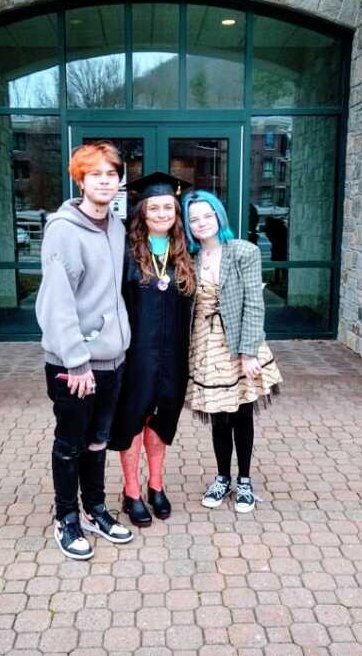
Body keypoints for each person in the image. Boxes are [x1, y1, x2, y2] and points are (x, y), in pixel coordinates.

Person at [35, 141, 134, 560]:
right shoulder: (63, 229)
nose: (105, 181)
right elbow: (57, 303)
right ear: (81, 178)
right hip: (76, 365)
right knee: (70, 442)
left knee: (98, 440)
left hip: (113, 359)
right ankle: (66, 518)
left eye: (111, 174)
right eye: (96, 174)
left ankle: (94, 509)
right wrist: (76, 362)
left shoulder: (115, 225)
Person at [182, 190, 283, 514]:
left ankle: (244, 481)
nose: (201, 223)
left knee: (241, 414)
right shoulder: (188, 257)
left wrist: (248, 352)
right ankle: (222, 476)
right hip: (203, 346)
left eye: (206, 216)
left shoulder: (243, 252)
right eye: (194, 218)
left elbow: (254, 303)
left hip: (238, 344)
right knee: (218, 417)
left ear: (219, 217)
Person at [109, 172, 196, 527]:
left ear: (176, 213)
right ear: (142, 212)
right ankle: (131, 492)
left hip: (174, 353)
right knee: (132, 421)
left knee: (162, 420)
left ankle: (156, 484)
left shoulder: (186, 252)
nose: (161, 214)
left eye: (168, 208)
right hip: (135, 353)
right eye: (154, 207)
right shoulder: (125, 252)